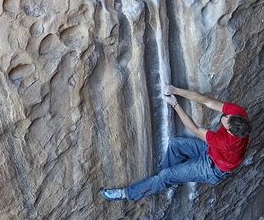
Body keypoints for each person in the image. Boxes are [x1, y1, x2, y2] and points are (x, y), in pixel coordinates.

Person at [100, 84, 251, 201]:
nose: (223, 118)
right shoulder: (239, 113)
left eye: (225, 122)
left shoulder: (226, 141)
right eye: (226, 116)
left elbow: (194, 128)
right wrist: (176, 90)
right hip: (211, 151)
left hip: (212, 169)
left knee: (165, 176)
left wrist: (175, 104)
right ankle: (170, 180)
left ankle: (126, 194)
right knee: (175, 144)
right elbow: (207, 101)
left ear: (231, 131)